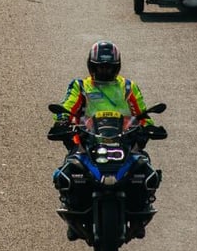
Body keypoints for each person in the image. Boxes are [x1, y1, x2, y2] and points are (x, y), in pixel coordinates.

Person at [49, 40, 160, 240]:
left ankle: (140, 208)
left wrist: (148, 127)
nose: (104, 71)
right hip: (88, 140)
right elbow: (67, 107)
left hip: (124, 139)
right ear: (91, 66)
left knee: (145, 169)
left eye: (109, 67)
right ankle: (72, 206)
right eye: (100, 66)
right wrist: (62, 121)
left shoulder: (128, 87)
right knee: (66, 172)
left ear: (117, 67)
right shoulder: (80, 86)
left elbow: (142, 113)